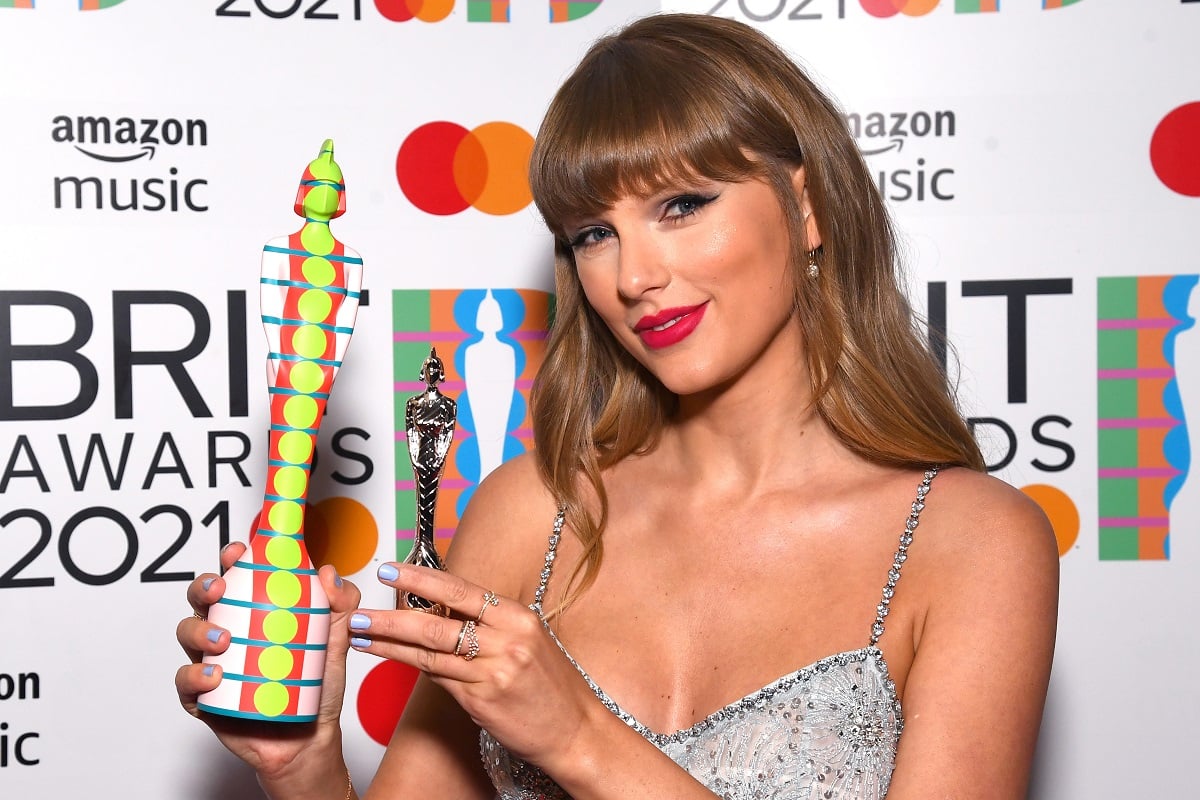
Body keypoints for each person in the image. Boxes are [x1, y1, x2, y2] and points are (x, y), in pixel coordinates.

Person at [176, 12, 1058, 799]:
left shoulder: (971, 544)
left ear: (809, 205)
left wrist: (577, 737)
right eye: (594, 233)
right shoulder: (531, 513)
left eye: (682, 204)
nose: (633, 276)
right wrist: (304, 767)